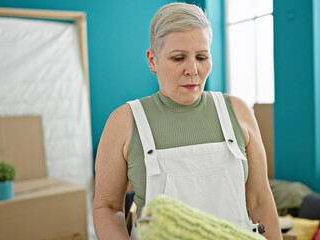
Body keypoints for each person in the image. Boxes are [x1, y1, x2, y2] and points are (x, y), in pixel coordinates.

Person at [93, 2, 282, 240]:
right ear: (152, 60)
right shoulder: (124, 122)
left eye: (201, 56)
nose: (192, 69)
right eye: (178, 58)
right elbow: (108, 207)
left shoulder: (238, 112)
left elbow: (259, 200)